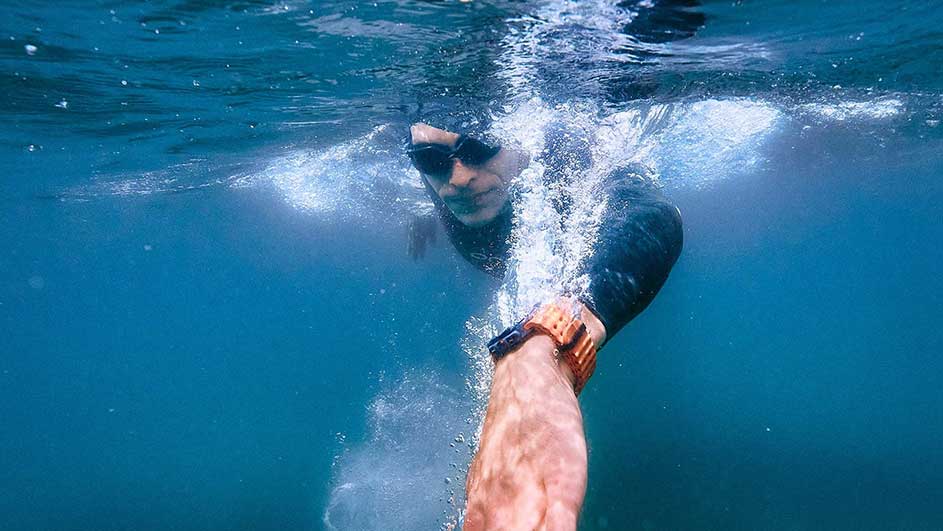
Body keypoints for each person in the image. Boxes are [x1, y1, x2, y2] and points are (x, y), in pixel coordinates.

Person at [407, 122, 683, 530]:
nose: (459, 178)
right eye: (430, 160)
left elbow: (655, 217)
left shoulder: (566, 151)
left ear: (519, 130)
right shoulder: (445, 179)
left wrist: (545, 348)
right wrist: (427, 218)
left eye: (479, 148)